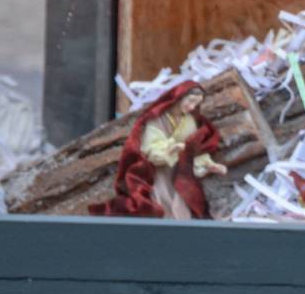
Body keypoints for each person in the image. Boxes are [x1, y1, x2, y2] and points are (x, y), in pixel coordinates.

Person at [92, 80, 230, 220]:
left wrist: (208, 164)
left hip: (181, 174)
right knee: (161, 204)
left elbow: (193, 150)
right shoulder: (158, 119)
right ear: (179, 97)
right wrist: (171, 148)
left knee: (183, 207)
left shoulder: (189, 122)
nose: (192, 107)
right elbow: (150, 147)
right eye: (190, 101)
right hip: (158, 173)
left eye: (196, 104)